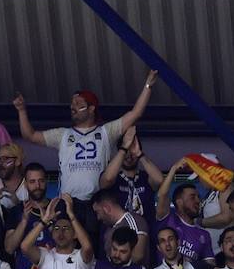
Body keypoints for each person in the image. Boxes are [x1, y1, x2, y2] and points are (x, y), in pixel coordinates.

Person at [13, 71, 158, 202]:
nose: (72, 107)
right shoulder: (62, 135)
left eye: (78, 103)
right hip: (68, 203)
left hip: (97, 203)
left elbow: (136, 113)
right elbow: (30, 135)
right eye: (71, 104)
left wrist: (147, 86)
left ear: (91, 108)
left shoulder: (106, 132)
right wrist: (21, 110)